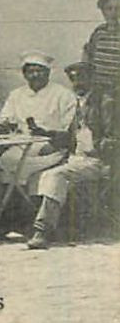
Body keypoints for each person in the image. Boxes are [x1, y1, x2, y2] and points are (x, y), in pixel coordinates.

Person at [27, 61, 111, 249]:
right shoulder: (80, 103)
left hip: (97, 159)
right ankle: (50, 227)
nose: (77, 83)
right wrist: (46, 133)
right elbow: (71, 136)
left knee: (55, 175)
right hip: (77, 158)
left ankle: (42, 231)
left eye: (81, 78)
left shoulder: (105, 102)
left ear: (92, 78)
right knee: (35, 176)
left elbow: (113, 136)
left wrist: (104, 154)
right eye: (73, 79)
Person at [0, 52, 79, 195]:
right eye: (30, 71)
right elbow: (4, 119)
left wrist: (54, 144)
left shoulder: (64, 95)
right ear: (24, 74)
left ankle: (26, 203)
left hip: (51, 147)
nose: (35, 75)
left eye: (39, 71)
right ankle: (13, 203)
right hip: (21, 144)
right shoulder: (16, 95)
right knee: (5, 161)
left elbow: (70, 128)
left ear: (48, 73)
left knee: (20, 166)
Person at [83, 0, 120, 100]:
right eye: (109, 9)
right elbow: (89, 54)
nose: (113, 13)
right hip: (97, 85)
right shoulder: (99, 32)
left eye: (118, 9)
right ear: (103, 11)